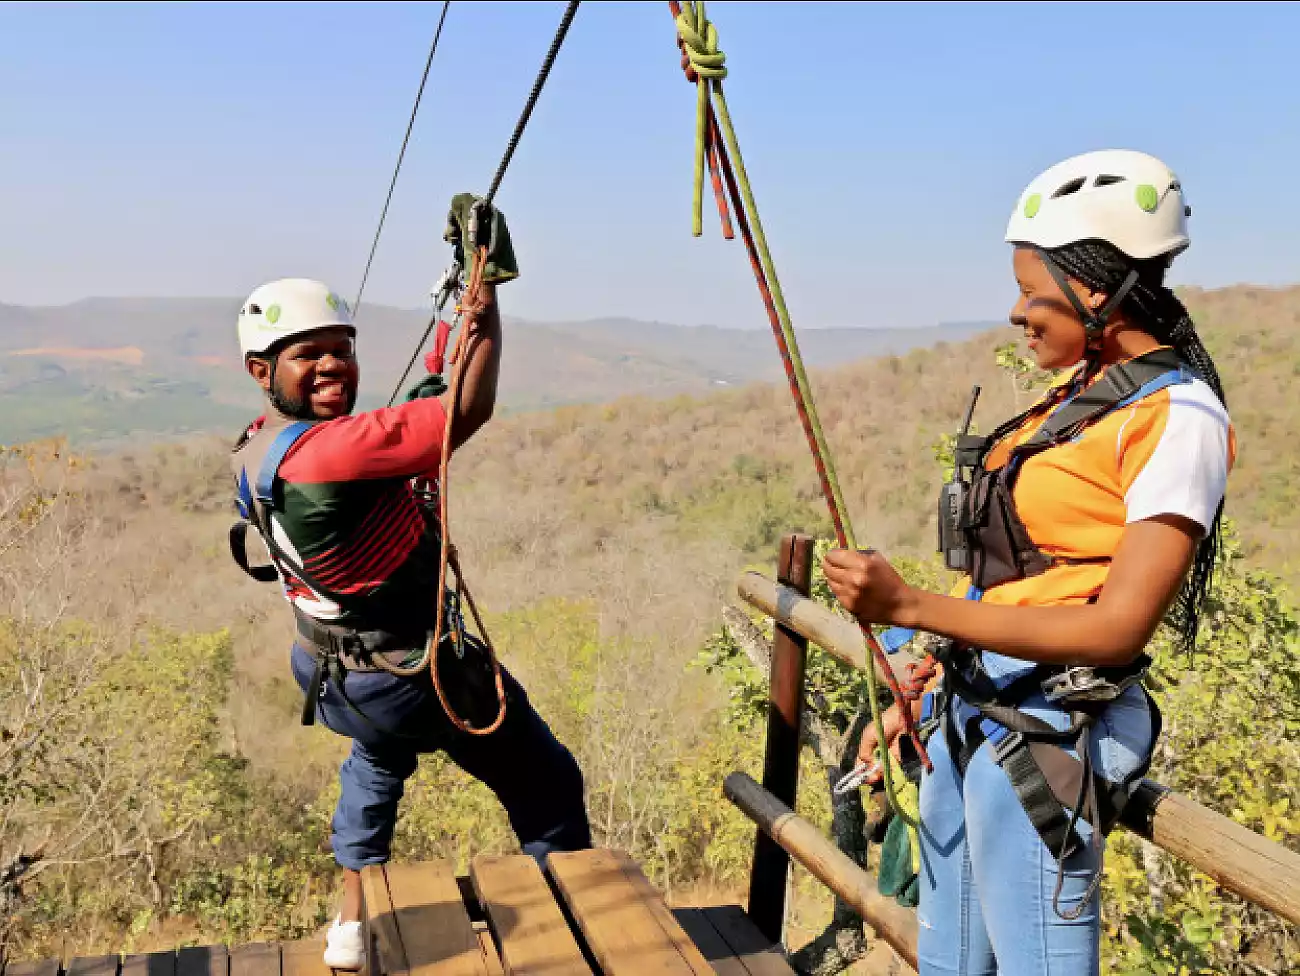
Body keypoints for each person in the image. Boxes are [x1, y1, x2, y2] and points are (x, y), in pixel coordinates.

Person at [822, 150, 1234, 974]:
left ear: (1091, 290)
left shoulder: (1175, 416)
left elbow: (1116, 627)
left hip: (1052, 735)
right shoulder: (1079, 402)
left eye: (1030, 290)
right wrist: (920, 674)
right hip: (976, 712)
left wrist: (909, 608)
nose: (1016, 311)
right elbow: (1016, 578)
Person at [227, 196, 592, 971]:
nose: (332, 366)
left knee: (378, 758)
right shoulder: (333, 454)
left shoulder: (257, 450)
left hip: (336, 671)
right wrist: (485, 300)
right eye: (307, 356)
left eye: (341, 350)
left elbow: (403, 427)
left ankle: (348, 924)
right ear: (264, 372)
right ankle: (571, 928)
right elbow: (468, 407)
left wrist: (447, 335)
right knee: (548, 784)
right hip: (411, 670)